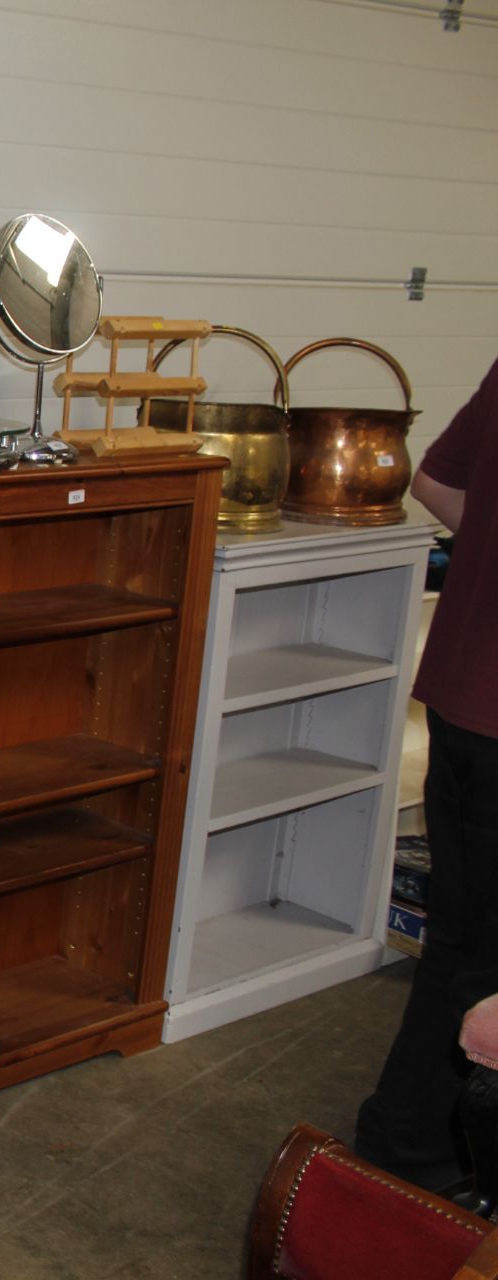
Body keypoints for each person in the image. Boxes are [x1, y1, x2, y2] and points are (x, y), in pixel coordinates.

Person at [353, 351, 498, 1192]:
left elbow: (437, 484)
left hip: (465, 698)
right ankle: (420, 1155)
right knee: (480, 956)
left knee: (462, 944)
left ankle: (408, 1143)